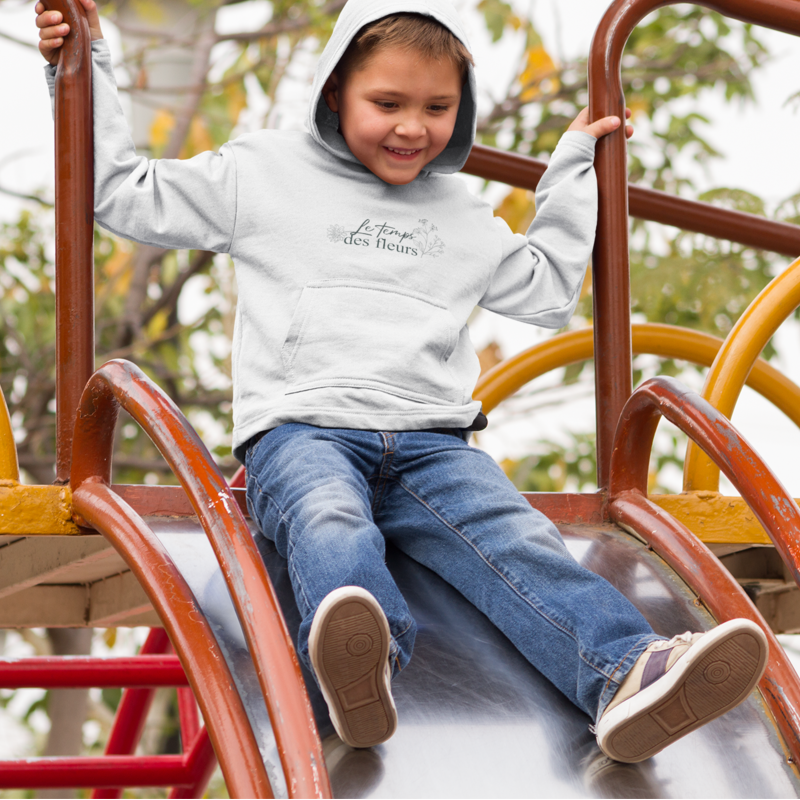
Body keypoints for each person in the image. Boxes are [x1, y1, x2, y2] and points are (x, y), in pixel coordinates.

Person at [37, 0, 768, 763]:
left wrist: (573, 169)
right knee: (327, 519)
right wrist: (83, 68)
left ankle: (626, 671)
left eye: (436, 107)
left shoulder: (459, 210)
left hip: (436, 445)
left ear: (463, 108)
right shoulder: (264, 173)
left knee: (520, 541)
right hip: (304, 428)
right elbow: (120, 194)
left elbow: (546, 290)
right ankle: (361, 664)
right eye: (386, 103)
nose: (412, 127)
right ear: (334, 95)